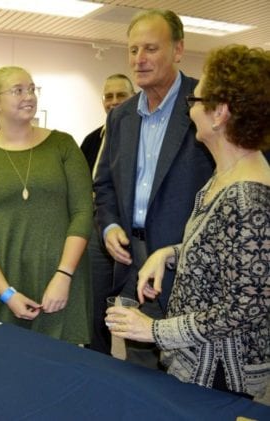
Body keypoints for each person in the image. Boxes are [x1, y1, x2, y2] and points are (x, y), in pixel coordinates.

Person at [107, 44, 269, 399]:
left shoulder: (248, 196)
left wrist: (154, 330)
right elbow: (224, 250)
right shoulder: (225, 175)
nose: (190, 108)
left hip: (222, 374)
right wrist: (168, 254)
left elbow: (244, 308)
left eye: (195, 100)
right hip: (197, 364)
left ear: (219, 113)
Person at [93, 9, 214, 368]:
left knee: (190, 373)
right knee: (140, 369)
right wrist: (110, 225)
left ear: (178, 50)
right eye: (132, 50)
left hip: (188, 264)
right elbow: (104, 185)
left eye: (150, 48)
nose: (139, 60)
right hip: (133, 262)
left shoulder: (206, 103)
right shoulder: (121, 116)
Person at [0, 66, 93, 344]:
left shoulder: (63, 145)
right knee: (5, 367)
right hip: (2, 285)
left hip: (60, 281)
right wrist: (6, 293)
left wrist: (64, 275)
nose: (28, 96)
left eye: (32, 89)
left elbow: (82, 213)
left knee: (64, 370)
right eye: (18, 90)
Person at [82, 73, 135, 355]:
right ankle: (99, 357)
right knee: (96, 300)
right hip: (96, 229)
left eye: (121, 95)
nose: (114, 102)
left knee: (131, 303)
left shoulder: (138, 137)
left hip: (129, 230)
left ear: (133, 96)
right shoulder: (91, 140)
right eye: (109, 96)